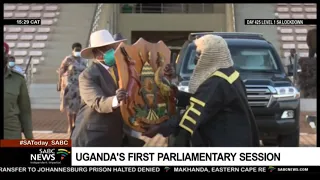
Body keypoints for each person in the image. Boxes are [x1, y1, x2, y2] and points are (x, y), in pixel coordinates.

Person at [142, 35, 260, 147]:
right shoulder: (231, 74)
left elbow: (193, 115)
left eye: (199, 54)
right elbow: (207, 100)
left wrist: (160, 128)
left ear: (210, 56)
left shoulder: (216, 82)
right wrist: (176, 95)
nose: (196, 60)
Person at [71, 30, 145, 147]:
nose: (113, 51)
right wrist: (116, 99)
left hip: (114, 136)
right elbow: (98, 102)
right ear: (97, 53)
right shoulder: (87, 75)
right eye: (107, 48)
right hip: (92, 138)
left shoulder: (119, 69)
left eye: (113, 47)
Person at [4, 42, 33, 139]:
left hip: (11, 133)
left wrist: (29, 137)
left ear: (7, 57)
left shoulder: (18, 79)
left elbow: (25, 110)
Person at [58, 42, 87, 134]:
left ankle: (75, 124)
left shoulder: (83, 60)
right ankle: (70, 126)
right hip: (70, 87)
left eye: (79, 50)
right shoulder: (68, 59)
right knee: (70, 107)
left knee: (78, 107)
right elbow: (61, 71)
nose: (78, 51)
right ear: (72, 50)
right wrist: (59, 83)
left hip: (80, 87)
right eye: (76, 50)